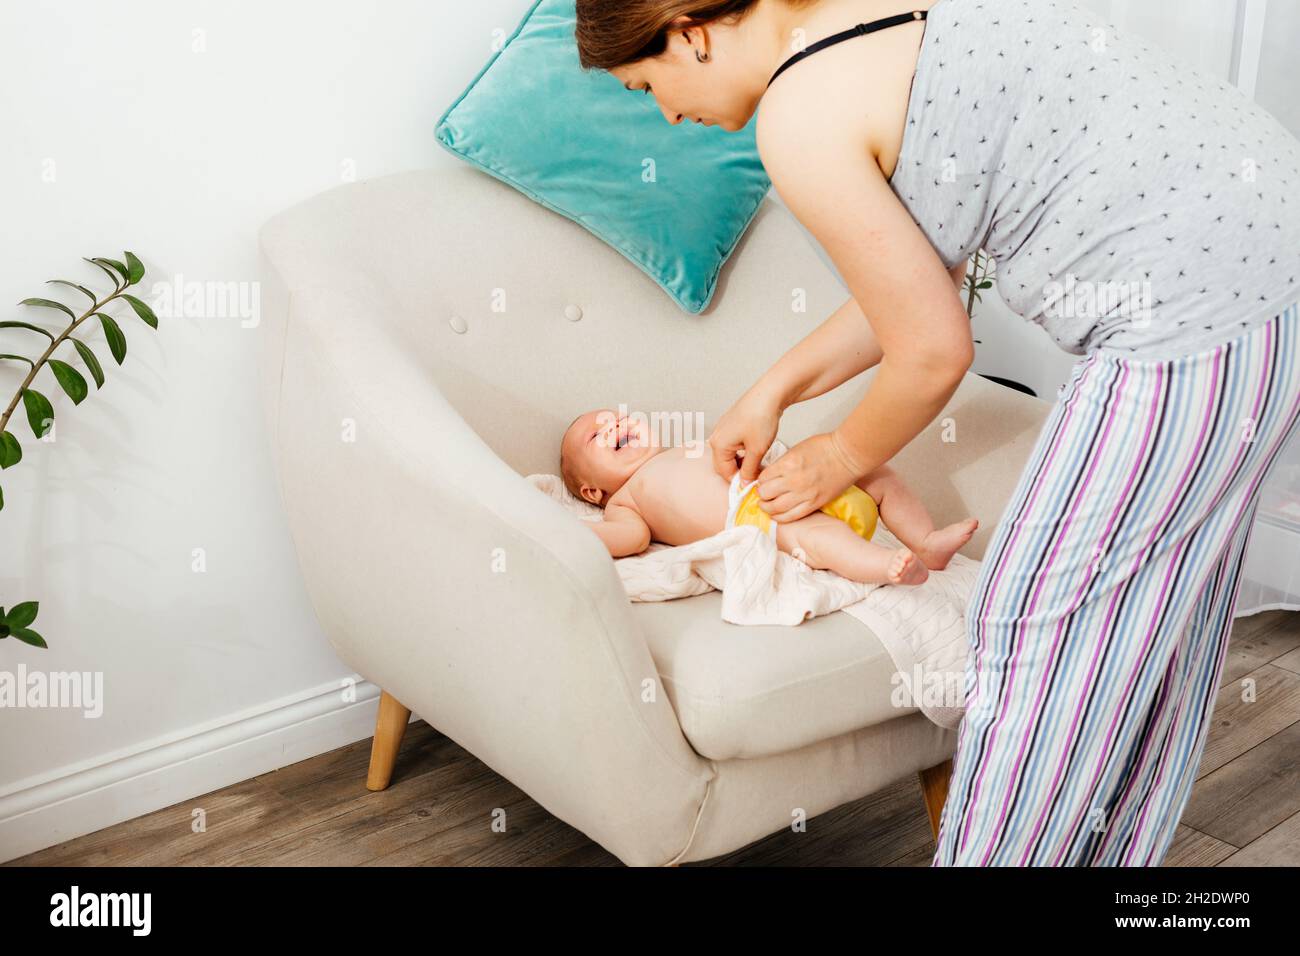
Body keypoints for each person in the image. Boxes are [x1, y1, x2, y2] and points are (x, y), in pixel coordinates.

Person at [575, 0, 1300, 864]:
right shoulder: (880, 18)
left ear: (689, 31)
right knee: (1153, 621)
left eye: (645, 84)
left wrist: (836, 456)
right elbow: (921, 278)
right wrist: (771, 392)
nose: (664, 111)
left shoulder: (799, 111)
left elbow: (931, 350)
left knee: (1035, 627)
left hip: (1193, 314)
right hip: (1267, 277)